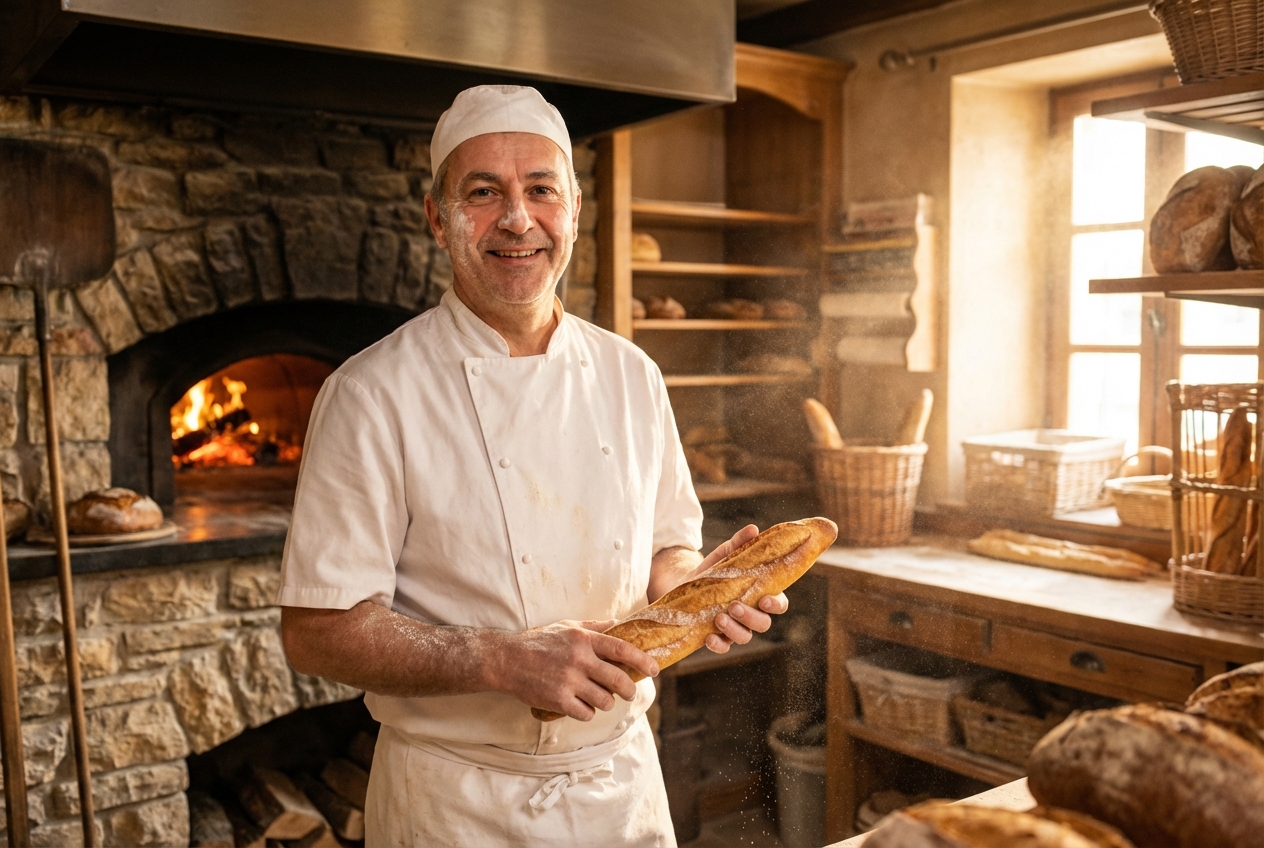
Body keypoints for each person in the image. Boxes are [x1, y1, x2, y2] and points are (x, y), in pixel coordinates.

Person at [278, 85, 790, 847]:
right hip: (454, 803)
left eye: (540, 190)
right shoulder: (371, 392)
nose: (517, 219)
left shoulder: (631, 374)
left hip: (620, 789)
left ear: (573, 211)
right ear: (436, 219)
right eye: (483, 193)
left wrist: (693, 587)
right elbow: (316, 631)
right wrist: (498, 659)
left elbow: (664, 547)